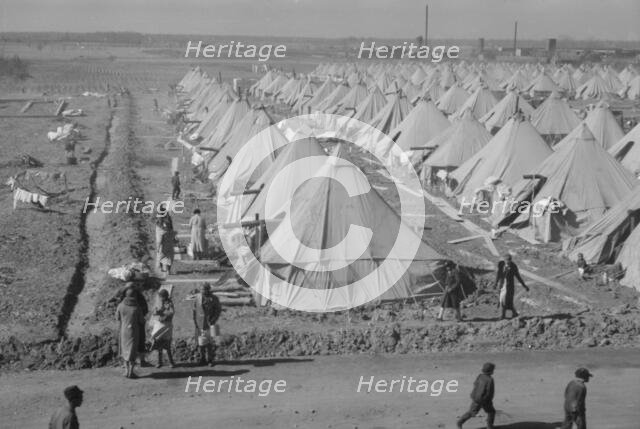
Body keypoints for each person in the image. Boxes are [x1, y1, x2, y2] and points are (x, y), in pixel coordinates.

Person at [115, 281, 150, 367]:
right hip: (135, 323)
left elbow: (117, 315)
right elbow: (144, 310)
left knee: (127, 343)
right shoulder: (134, 299)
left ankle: (129, 361)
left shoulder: (123, 301)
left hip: (126, 324)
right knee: (138, 341)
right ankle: (133, 361)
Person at [457, 362, 496, 429]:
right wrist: (489, 400)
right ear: (490, 371)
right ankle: (490, 426)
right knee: (491, 412)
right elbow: (489, 391)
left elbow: (475, 384)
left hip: (476, 398)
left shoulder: (480, 376)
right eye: (493, 370)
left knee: (471, 412)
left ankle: (460, 422)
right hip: (485, 400)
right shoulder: (490, 380)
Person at [193, 283, 222, 366]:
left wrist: (213, 320)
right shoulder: (197, 298)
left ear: (208, 290)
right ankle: (202, 359)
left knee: (210, 343)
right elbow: (194, 311)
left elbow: (218, 310)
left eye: (204, 289)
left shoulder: (214, 298)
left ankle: (210, 359)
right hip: (200, 323)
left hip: (211, 323)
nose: (202, 291)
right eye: (201, 289)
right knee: (201, 342)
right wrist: (195, 321)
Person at [495, 254, 529, 319]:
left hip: (510, 287)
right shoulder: (501, 264)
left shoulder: (513, 267)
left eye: (509, 260)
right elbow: (498, 274)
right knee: (502, 300)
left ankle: (503, 315)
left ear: (511, 260)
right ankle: (514, 313)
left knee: (506, 301)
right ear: (504, 260)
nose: (508, 262)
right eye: (506, 260)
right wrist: (495, 283)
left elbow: (518, 277)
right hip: (502, 286)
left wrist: (524, 286)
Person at [150, 289, 176, 368]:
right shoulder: (159, 302)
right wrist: (156, 311)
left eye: (162, 297)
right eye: (160, 297)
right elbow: (154, 311)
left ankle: (171, 362)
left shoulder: (169, 303)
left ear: (165, 297)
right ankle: (159, 362)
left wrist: (162, 312)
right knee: (159, 345)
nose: (161, 298)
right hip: (160, 325)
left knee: (167, 345)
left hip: (167, 325)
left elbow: (171, 312)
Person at [155, 204, 175, 274]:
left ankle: (160, 269)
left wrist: (158, 246)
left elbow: (159, 238)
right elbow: (172, 229)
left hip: (163, 242)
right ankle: (168, 270)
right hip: (169, 240)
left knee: (160, 256)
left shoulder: (159, 223)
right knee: (170, 256)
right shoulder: (168, 218)